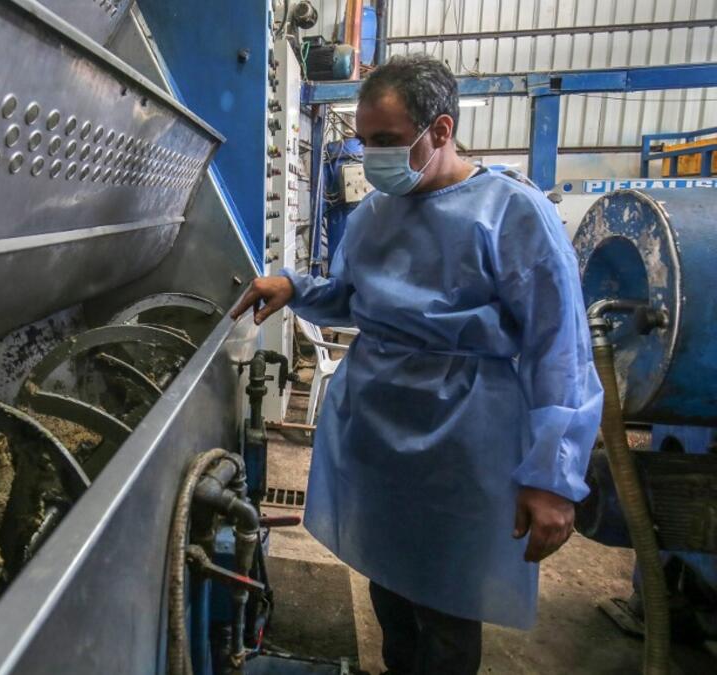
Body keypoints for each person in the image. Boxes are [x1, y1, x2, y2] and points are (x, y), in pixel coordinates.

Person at [231, 54, 603, 675]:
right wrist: (295, 287)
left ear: (441, 130)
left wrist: (553, 478)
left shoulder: (511, 213)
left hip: (459, 435)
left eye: (387, 141)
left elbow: (558, 348)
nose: (372, 156)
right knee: (388, 572)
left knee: (448, 595)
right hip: (376, 425)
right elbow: (353, 297)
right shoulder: (376, 213)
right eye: (364, 141)